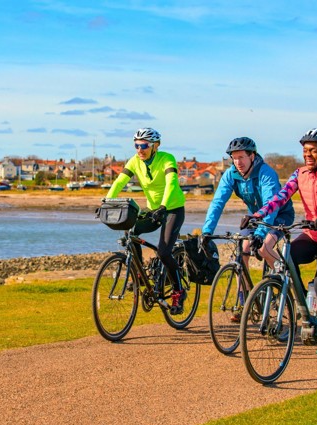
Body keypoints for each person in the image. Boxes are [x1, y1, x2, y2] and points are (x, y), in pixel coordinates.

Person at [242, 127, 317, 358]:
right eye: (305, 151)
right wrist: (259, 215)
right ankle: (304, 308)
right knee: (286, 260)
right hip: (313, 235)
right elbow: (280, 197)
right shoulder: (299, 174)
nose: (308, 155)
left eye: (313, 150)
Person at [201, 137, 295, 320]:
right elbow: (217, 203)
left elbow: (270, 204)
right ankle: (244, 301)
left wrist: (260, 234)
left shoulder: (266, 173)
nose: (238, 162)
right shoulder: (231, 174)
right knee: (241, 251)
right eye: (234, 158)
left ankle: (285, 281)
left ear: (252, 156)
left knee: (264, 247)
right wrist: (207, 231)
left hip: (279, 216)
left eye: (242, 157)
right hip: (254, 218)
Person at [105, 127, 187, 315]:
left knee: (165, 252)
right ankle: (140, 274)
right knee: (132, 234)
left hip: (172, 209)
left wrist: (164, 206)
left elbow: (171, 183)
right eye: (136, 146)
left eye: (144, 145)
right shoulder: (134, 161)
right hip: (152, 209)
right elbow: (119, 182)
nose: (140, 150)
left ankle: (178, 291)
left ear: (155, 146)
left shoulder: (167, 158)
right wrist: (107, 202)